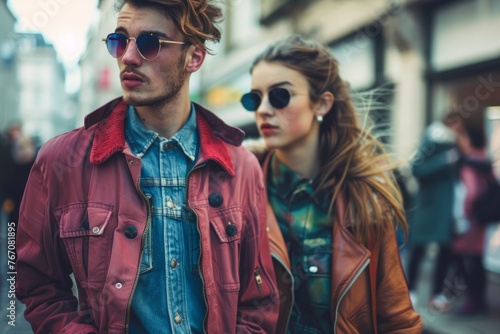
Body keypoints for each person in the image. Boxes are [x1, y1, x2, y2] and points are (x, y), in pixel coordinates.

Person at [15, 1, 278, 333]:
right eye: (119, 40)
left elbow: (259, 301)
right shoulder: (62, 161)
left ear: (194, 57)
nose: (127, 57)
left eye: (150, 43)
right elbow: (36, 283)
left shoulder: (240, 167)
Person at [241, 34, 423, 333]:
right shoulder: (235, 187)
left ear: (322, 104)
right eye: (254, 98)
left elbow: (397, 318)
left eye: (279, 96)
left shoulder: (364, 199)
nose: (262, 109)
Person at [406, 118, 460, 311]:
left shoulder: (455, 145)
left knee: (444, 252)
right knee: (419, 249)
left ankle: (437, 294)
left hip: (446, 209)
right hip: (428, 207)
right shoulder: (430, 143)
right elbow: (416, 168)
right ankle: (410, 292)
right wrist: (443, 161)